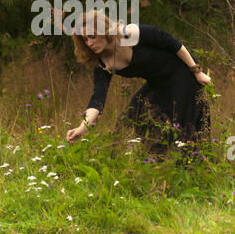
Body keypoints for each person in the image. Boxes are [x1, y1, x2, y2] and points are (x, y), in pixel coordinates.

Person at [65, 10, 211, 145]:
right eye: (85, 39)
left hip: (182, 78)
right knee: (128, 123)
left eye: (92, 36)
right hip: (157, 85)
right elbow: (98, 99)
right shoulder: (102, 62)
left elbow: (172, 43)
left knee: (183, 135)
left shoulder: (128, 34)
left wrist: (196, 71)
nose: (89, 43)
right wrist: (82, 128)